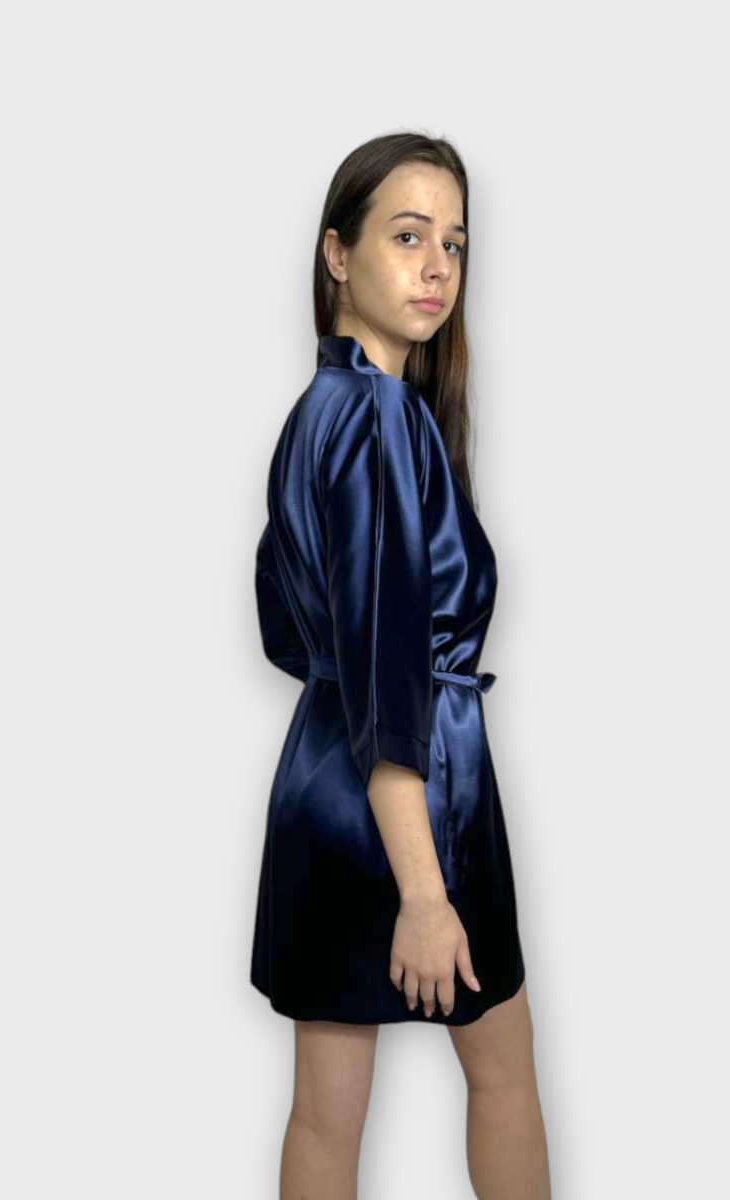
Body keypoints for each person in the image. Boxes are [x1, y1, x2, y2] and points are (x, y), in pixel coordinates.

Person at [251, 132, 551, 1198]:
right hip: (417, 791)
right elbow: (388, 672)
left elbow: (288, 631)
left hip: (324, 789)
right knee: (503, 1077)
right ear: (337, 254)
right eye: (408, 236)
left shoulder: (319, 414)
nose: (437, 268)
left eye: (455, 244)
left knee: (324, 1118)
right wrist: (425, 892)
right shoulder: (379, 419)